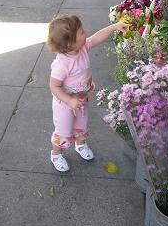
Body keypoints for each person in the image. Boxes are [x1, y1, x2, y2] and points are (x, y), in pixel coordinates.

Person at [47, 15, 129, 172]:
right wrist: (69, 101)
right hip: (65, 104)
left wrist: (114, 27)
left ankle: (80, 145)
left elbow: (97, 37)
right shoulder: (62, 64)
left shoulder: (82, 47)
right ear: (70, 44)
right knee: (63, 132)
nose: (86, 32)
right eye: (81, 32)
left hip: (82, 99)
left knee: (81, 126)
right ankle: (56, 155)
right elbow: (54, 86)